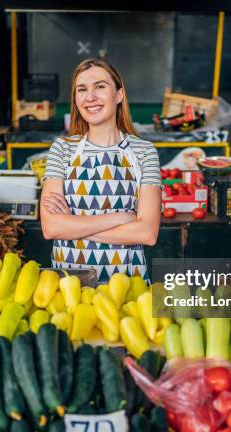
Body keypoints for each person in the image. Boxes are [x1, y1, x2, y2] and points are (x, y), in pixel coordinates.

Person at [40, 58, 162, 283]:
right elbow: (51, 228)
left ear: (119, 95)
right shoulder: (62, 149)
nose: (90, 97)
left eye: (100, 87)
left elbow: (147, 233)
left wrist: (72, 224)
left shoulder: (144, 152)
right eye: (82, 90)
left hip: (127, 285)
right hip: (70, 285)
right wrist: (122, 218)